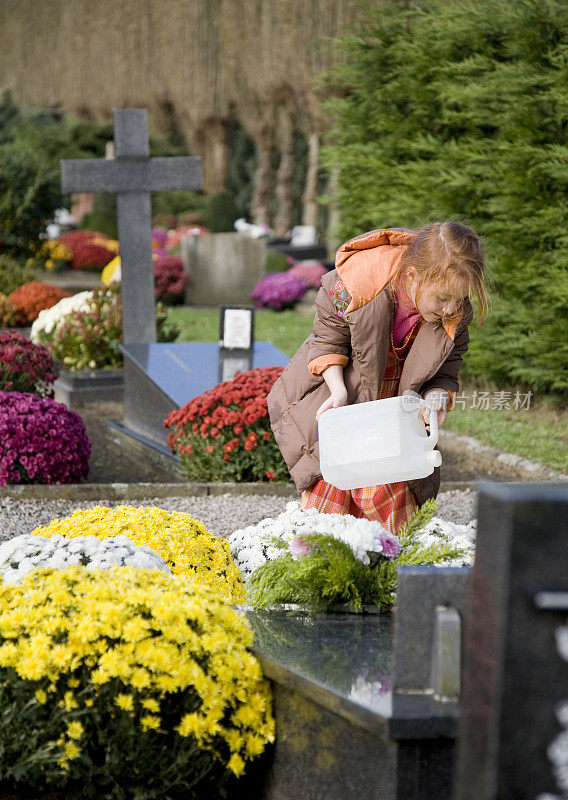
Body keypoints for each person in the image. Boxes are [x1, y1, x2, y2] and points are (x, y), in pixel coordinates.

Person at [267, 222, 489, 534]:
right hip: (342, 396)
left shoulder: (453, 314)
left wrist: (435, 398)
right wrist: (338, 391)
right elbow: (327, 341)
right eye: (442, 298)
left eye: (459, 298)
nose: (450, 308)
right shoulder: (351, 287)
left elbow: (447, 370)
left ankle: (395, 564)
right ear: (412, 277)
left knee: (390, 486)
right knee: (333, 489)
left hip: (395, 411)